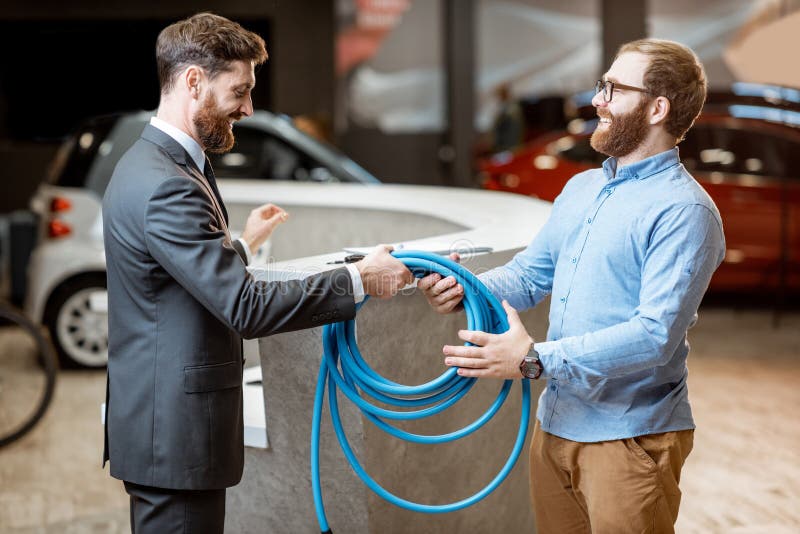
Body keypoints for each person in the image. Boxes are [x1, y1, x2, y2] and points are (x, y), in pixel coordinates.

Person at [101, 13, 412, 534]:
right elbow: (244, 307)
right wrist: (361, 277)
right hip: (174, 437)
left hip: (162, 429)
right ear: (193, 80)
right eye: (239, 91)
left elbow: (174, 275)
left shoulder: (155, 163)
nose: (247, 107)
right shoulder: (167, 184)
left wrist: (241, 244)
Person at [419, 39, 725, 534]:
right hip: (557, 424)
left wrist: (534, 359)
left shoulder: (684, 212)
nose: (598, 100)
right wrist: (462, 287)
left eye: (612, 89)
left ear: (657, 108)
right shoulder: (582, 188)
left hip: (629, 438)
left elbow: (653, 336)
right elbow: (529, 276)